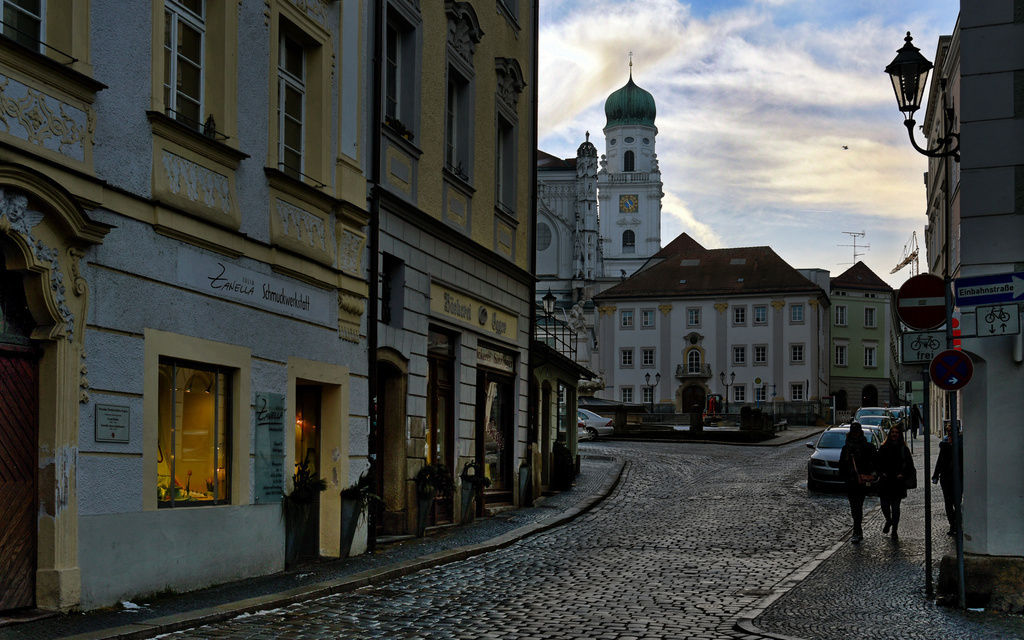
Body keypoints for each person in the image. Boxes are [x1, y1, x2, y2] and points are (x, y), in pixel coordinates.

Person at [839, 422, 876, 543]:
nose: (855, 434)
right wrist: (844, 477)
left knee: (858, 506)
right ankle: (857, 530)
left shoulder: (867, 447)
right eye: (853, 432)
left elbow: (874, 463)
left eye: (857, 432)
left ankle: (857, 530)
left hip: (862, 481)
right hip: (851, 481)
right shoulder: (846, 448)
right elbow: (842, 465)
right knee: (854, 507)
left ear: (860, 432)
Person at [876, 425, 915, 539]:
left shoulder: (903, 448)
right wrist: (881, 473)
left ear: (900, 435)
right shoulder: (883, 448)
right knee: (884, 506)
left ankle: (894, 530)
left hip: (898, 482)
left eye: (897, 432)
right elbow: (878, 463)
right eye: (893, 432)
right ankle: (889, 521)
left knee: (895, 507)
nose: (894, 434)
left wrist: (902, 475)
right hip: (885, 482)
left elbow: (909, 465)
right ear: (889, 434)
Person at [932, 423, 962, 536]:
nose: (949, 433)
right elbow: (940, 461)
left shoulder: (961, 443)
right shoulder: (944, 445)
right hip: (945, 478)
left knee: (957, 502)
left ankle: (958, 524)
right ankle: (952, 524)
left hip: (958, 478)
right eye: (948, 431)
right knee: (948, 503)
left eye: (951, 431)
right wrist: (935, 475)